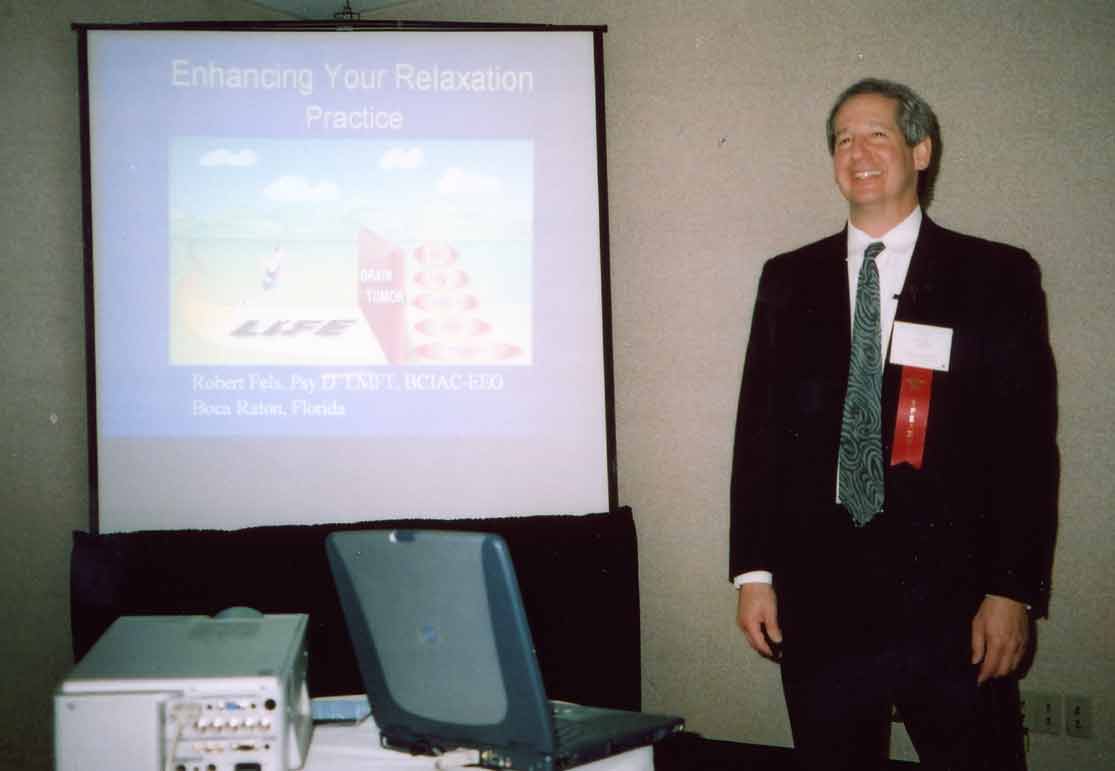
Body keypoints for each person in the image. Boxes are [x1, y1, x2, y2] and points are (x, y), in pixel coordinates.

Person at [729, 78, 1057, 770]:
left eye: (876, 133)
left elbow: (1024, 447)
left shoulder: (994, 275)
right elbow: (757, 432)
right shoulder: (786, 278)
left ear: (921, 148)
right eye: (842, 139)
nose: (858, 151)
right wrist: (753, 572)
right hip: (819, 599)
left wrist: (1010, 589)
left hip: (952, 601)